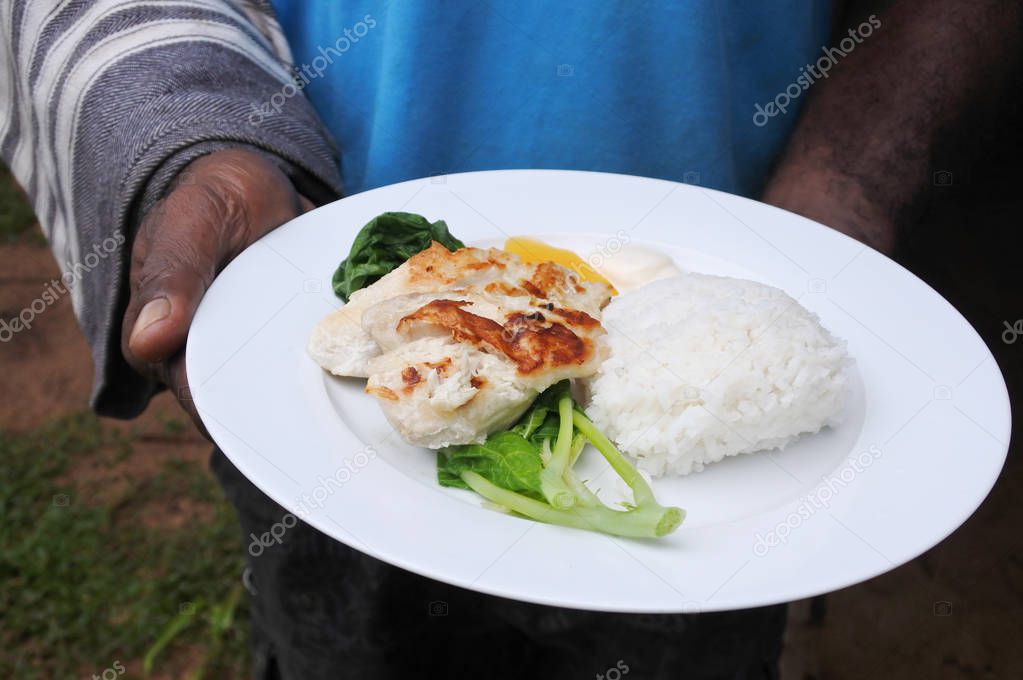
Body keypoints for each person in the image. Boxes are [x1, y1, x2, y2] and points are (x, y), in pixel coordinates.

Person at [1, 1, 1016, 677]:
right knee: (330, 642)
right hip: (310, 278)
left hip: (725, 341)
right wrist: (194, 125)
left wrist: (847, 185)